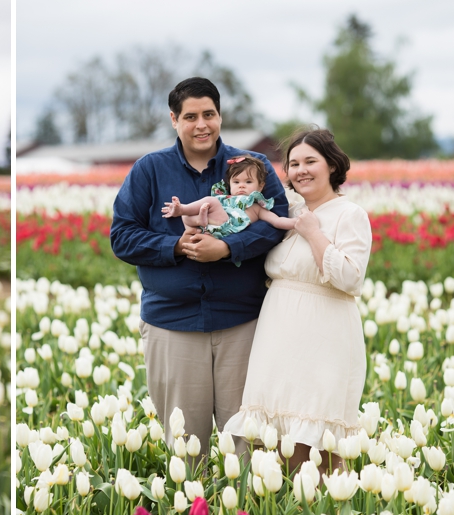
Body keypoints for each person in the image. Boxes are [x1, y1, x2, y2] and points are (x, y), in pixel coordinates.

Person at [110, 77, 290, 461]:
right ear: (174, 120)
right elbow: (122, 236)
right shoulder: (149, 170)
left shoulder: (252, 167)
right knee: (187, 450)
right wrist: (174, 246)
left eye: (209, 114)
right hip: (172, 323)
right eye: (190, 116)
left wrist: (227, 247)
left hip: (242, 321)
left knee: (247, 446)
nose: (201, 124)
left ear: (220, 116)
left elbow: (277, 224)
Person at [220, 130, 372, 473]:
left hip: (323, 336)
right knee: (274, 441)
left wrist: (314, 233)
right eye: (293, 164)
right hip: (276, 335)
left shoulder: (350, 214)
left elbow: (350, 278)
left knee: (317, 442)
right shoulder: (285, 210)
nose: (301, 170)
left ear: (332, 165)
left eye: (310, 161)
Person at [162, 155, 297, 237]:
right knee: (187, 217)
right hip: (210, 228)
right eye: (236, 182)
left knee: (210, 202)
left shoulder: (257, 207)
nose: (241, 186)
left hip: (228, 227)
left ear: (260, 186)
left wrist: (296, 222)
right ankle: (196, 220)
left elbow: (277, 221)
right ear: (230, 184)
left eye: (248, 182)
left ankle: (182, 209)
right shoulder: (226, 199)